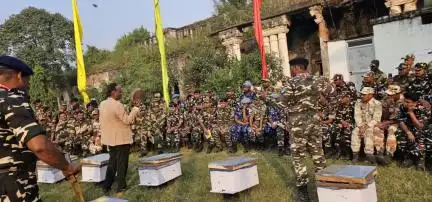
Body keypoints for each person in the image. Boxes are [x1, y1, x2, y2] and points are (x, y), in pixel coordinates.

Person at [0, 56, 79, 201]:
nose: (26, 87)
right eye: (27, 82)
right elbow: (40, 146)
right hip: (14, 185)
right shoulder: (9, 99)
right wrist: (66, 167)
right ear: (19, 76)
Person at [279, 57, 333, 201]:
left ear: (296, 68)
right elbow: (331, 91)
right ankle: (326, 185)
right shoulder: (318, 80)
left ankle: (303, 192)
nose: (291, 71)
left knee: (298, 156)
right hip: (314, 122)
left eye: (292, 68)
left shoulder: (291, 82)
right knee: (317, 152)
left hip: (298, 125)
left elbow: (282, 101)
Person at [99, 83, 141, 195]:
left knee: (112, 163)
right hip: (121, 139)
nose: (121, 93)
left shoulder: (102, 104)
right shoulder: (117, 105)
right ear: (113, 92)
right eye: (119, 91)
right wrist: (135, 109)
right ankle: (121, 188)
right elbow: (127, 120)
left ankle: (106, 186)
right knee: (122, 164)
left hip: (110, 139)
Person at [395, 92, 430, 170]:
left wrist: (411, 113)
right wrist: (408, 132)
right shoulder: (402, 107)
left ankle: (420, 160)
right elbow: (400, 121)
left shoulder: (423, 109)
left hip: (424, 130)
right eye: (404, 101)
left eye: (408, 102)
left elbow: (420, 127)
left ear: (415, 103)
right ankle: (408, 157)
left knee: (420, 134)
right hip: (409, 128)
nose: (405, 103)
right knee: (400, 133)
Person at [351, 87, 383, 164]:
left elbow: (376, 119)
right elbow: (357, 116)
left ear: (370, 95)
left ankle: (369, 155)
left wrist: (365, 127)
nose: (362, 96)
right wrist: (361, 126)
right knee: (355, 132)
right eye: (361, 94)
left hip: (372, 125)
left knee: (369, 132)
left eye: (364, 94)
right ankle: (355, 155)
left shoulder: (377, 103)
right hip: (361, 125)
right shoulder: (358, 102)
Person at [376, 85, 402, 165]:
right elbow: (381, 112)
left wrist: (386, 123)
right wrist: (382, 122)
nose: (388, 96)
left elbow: (398, 118)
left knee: (391, 130)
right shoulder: (386, 99)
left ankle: (389, 155)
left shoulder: (402, 102)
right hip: (387, 121)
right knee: (377, 129)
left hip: (399, 123)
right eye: (388, 94)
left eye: (391, 95)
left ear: (398, 94)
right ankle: (379, 152)